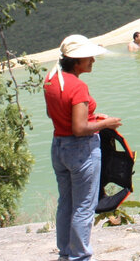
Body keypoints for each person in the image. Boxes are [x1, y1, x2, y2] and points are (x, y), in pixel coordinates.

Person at [43, 35, 122, 261]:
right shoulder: (78, 86)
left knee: (66, 203)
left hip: (58, 147)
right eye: (89, 58)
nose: (93, 61)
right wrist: (106, 123)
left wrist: (92, 116)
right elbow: (79, 128)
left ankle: (65, 253)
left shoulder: (51, 79)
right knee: (84, 206)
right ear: (77, 61)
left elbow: (54, 114)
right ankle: (81, 257)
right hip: (81, 149)